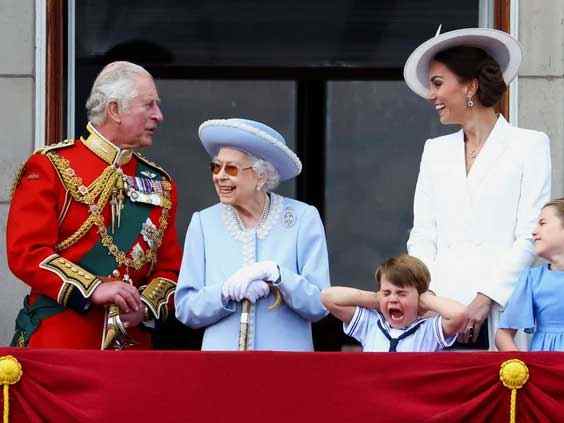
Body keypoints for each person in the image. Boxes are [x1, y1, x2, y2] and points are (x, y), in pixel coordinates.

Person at [7, 61, 182, 349]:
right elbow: (27, 252)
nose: (159, 116)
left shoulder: (160, 183)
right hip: (62, 344)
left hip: (132, 351)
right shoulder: (52, 166)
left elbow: (171, 271)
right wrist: (94, 288)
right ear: (114, 110)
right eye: (149, 105)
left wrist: (145, 308)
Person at [403, 28, 551, 349]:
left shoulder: (530, 146)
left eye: (438, 84)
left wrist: (486, 297)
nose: (431, 95)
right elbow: (423, 234)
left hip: (500, 311)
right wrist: (428, 297)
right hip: (438, 316)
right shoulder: (434, 151)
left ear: (470, 85)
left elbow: (529, 233)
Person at [175, 118, 329, 351]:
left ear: (261, 176)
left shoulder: (302, 218)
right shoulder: (203, 223)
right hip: (221, 367)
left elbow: (319, 305)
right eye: (216, 167)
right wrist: (224, 292)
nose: (220, 176)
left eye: (232, 169)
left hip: (285, 367)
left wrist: (278, 275)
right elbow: (185, 308)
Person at [321, 254, 466, 352]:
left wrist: (425, 300)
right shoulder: (370, 324)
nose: (393, 299)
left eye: (401, 293)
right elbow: (328, 297)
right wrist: (377, 300)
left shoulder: (428, 330)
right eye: (387, 292)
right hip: (375, 396)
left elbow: (459, 314)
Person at [496, 199, 564, 351]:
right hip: (544, 369)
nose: (534, 232)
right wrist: (521, 366)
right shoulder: (532, 279)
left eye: (542, 223)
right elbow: (503, 335)